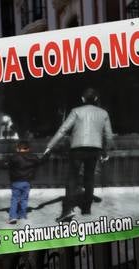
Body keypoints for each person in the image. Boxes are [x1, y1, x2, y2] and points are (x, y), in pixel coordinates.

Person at [44, 87, 114, 222]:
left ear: (82, 99)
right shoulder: (103, 113)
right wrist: (106, 152)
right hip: (94, 149)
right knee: (89, 178)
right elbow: (108, 135)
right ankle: (86, 209)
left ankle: (67, 210)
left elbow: (63, 130)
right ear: (96, 99)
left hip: (77, 149)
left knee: (72, 178)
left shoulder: (76, 111)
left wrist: (49, 146)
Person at [0, 140, 44, 225]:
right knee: (24, 199)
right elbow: (41, 162)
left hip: (16, 182)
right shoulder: (34, 157)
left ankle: (13, 217)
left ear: (17, 149)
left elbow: (3, 165)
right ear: (28, 149)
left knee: (15, 199)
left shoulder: (14, 157)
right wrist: (48, 154)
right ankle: (23, 215)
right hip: (27, 182)